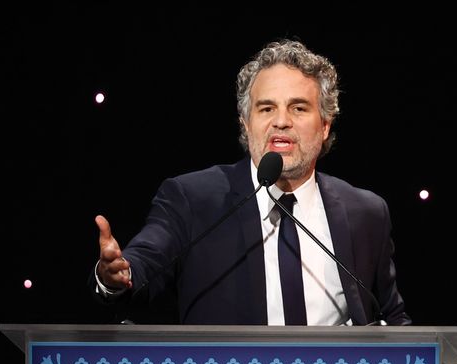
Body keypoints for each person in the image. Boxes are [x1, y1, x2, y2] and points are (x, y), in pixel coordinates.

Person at [91, 39, 411, 326]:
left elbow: (392, 318)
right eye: (266, 108)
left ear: (325, 124)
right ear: (247, 125)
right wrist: (120, 275)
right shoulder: (193, 198)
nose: (281, 121)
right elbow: (146, 260)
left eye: (298, 108)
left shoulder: (366, 212)